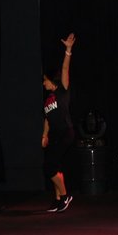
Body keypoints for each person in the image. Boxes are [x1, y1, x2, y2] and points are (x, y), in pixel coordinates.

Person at [42, 32, 76, 213]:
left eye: (45, 80)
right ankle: (57, 199)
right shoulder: (48, 99)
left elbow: (64, 69)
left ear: (51, 79)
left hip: (65, 131)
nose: (43, 84)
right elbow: (47, 118)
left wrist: (68, 50)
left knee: (49, 167)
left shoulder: (62, 90)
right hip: (54, 134)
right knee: (55, 167)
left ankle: (64, 196)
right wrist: (44, 135)